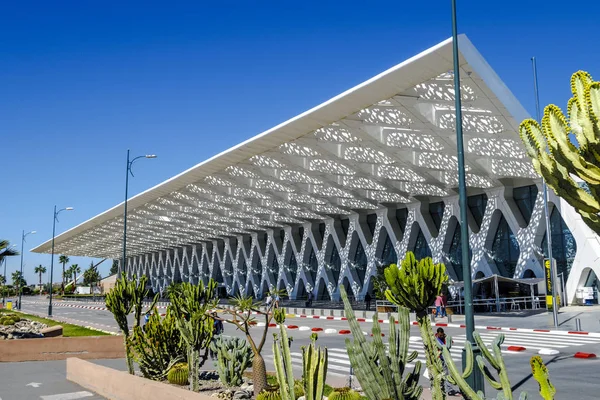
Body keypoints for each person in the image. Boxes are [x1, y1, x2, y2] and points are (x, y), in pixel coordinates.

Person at [435, 328, 461, 397]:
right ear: (437, 333)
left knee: (446, 374)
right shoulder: (435, 339)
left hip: (445, 358)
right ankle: (446, 389)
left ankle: (448, 389)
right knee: (442, 375)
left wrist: (447, 337)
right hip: (439, 359)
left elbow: (451, 342)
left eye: (442, 334)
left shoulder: (444, 337)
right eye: (440, 335)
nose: (441, 336)